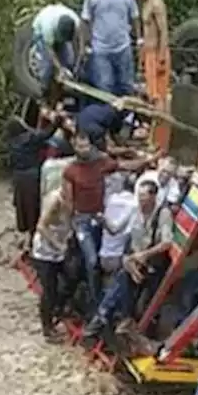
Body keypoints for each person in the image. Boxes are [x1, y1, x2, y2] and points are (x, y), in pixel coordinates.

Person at [62, 131, 158, 308]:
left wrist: (149, 160)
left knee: (101, 256)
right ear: (74, 147)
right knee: (91, 261)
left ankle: (93, 298)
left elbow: (125, 166)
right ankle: (95, 303)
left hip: (99, 218)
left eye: (86, 145)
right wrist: (70, 227)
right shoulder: (70, 170)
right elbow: (68, 201)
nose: (83, 149)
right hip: (82, 220)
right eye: (79, 146)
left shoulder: (100, 163)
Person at [85, 179, 175, 337]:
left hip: (153, 263)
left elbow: (166, 242)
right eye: (139, 196)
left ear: (154, 197)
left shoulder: (162, 213)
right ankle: (115, 319)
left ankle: (104, 317)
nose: (140, 201)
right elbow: (118, 230)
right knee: (124, 275)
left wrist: (143, 255)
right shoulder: (135, 210)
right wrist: (103, 221)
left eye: (144, 197)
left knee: (122, 280)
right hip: (135, 260)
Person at [5, 107, 66, 251]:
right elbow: (46, 134)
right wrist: (58, 121)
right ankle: (32, 240)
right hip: (32, 178)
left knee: (22, 207)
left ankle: (26, 236)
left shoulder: (12, 142)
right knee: (33, 207)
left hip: (18, 178)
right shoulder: (29, 139)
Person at [80, 0, 142, 96]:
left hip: (122, 47)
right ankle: (109, 115)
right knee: (105, 86)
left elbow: (135, 16)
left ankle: (128, 115)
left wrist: (139, 39)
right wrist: (86, 44)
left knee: (126, 84)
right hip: (101, 49)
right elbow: (85, 20)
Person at [32, 185, 75, 342]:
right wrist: (58, 244)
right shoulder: (55, 200)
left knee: (72, 277)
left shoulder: (75, 198)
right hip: (45, 251)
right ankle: (47, 328)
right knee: (49, 290)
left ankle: (59, 308)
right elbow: (41, 226)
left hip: (61, 248)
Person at [125, 0, 171, 105]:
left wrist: (161, 58)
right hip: (149, 53)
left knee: (159, 94)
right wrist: (142, 58)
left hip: (158, 54)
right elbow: (146, 34)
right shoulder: (144, 4)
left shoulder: (156, 3)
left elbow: (163, 31)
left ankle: (161, 125)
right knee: (151, 93)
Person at [31, 3, 81, 94]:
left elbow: (76, 42)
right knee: (47, 67)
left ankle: (62, 90)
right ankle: (43, 91)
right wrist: (60, 68)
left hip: (57, 32)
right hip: (41, 35)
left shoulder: (75, 21)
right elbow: (50, 50)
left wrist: (77, 63)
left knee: (68, 60)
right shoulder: (48, 26)